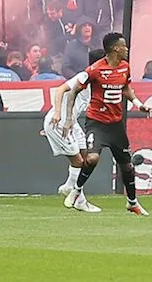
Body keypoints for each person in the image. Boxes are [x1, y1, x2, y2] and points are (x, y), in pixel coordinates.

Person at [56, 31, 152, 215]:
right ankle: (76, 191)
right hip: (97, 122)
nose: (126, 49)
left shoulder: (125, 67)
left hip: (116, 124)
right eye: (124, 46)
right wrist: (68, 119)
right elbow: (72, 92)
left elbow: (125, 88)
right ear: (115, 49)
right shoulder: (94, 70)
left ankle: (132, 203)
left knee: (126, 165)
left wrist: (139, 104)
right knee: (92, 158)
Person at [45, 49, 105, 212]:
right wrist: (57, 113)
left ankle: (69, 186)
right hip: (60, 122)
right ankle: (79, 201)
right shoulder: (83, 77)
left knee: (86, 157)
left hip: (72, 122)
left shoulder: (99, 81)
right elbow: (60, 90)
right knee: (78, 161)